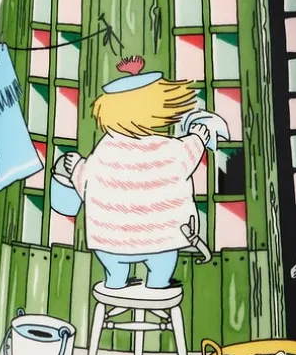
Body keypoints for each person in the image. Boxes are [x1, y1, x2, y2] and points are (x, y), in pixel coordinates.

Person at [56, 56, 209, 289]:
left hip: (109, 241)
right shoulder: (168, 149)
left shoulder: (104, 150)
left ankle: (115, 281)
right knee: (162, 263)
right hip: (161, 240)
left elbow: (86, 180)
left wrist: (75, 165)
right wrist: (198, 137)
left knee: (114, 266)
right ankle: (158, 284)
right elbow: (188, 154)